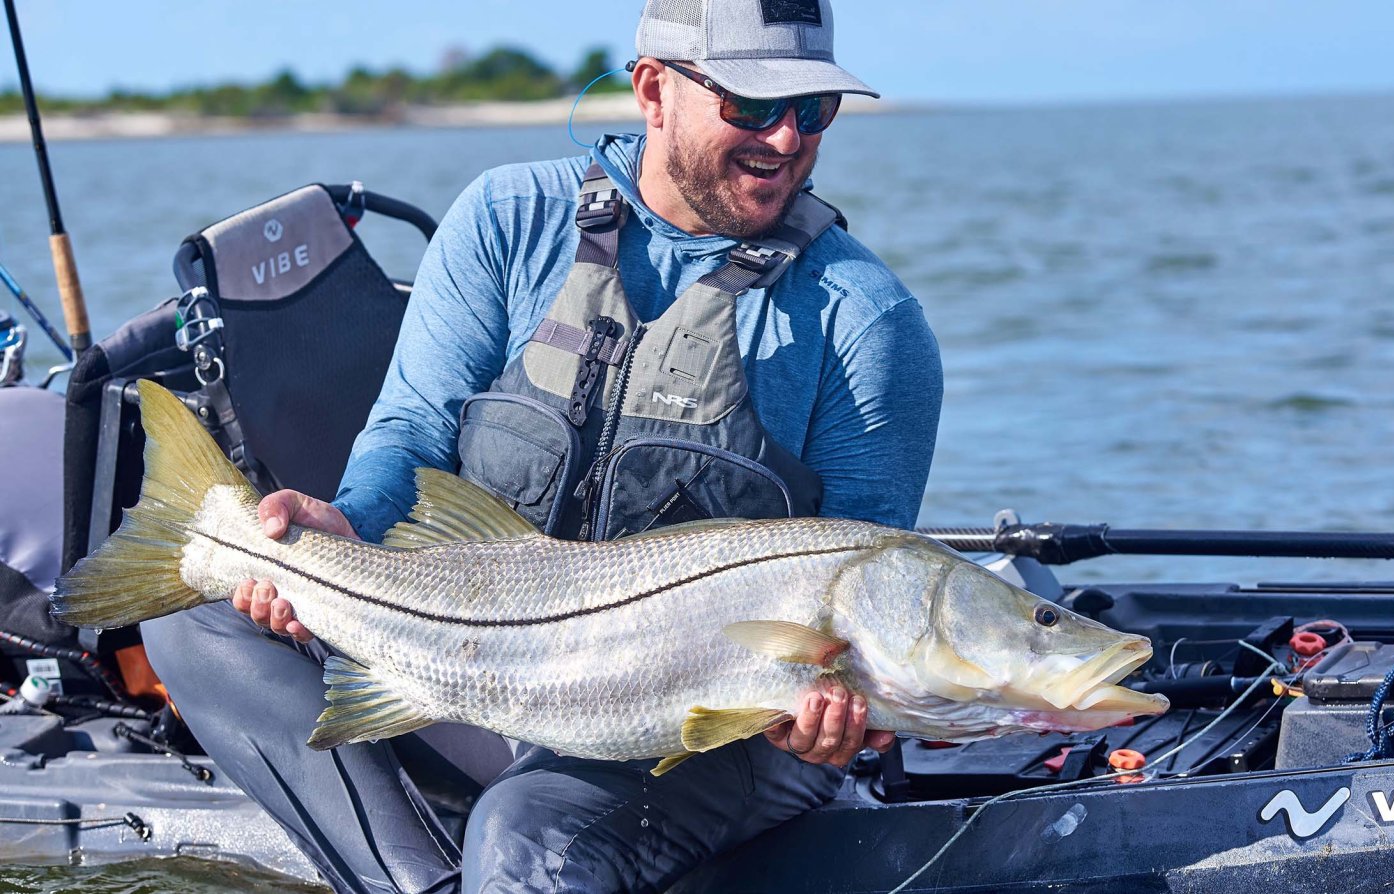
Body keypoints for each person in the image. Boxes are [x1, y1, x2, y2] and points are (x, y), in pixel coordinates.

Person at [142, 1, 942, 891]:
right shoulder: (505, 217)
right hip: (475, 651)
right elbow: (411, 427)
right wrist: (345, 522)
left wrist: (837, 714)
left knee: (527, 837)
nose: (787, 139)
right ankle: (415, 883)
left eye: (814, 109)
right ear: (652, 91)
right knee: (198, 593)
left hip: (708, 723)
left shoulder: (867, 321)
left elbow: (869, 573)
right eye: (752, 107)